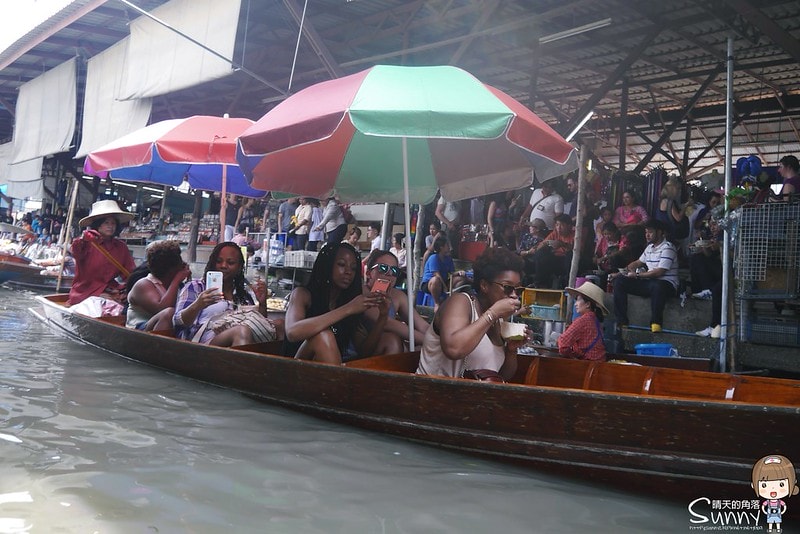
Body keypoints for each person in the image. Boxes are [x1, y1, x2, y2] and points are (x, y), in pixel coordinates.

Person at [416, 247, 526, 381]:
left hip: (473, 397)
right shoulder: (460, 302)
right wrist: (492, 313)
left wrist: (511, 351)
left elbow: (500, 377)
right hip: (433, 394)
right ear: (484, 285)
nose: (514, 295)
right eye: (508, 287)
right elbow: (454, 349)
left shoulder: (498, 320)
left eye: (518, 289)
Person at [283, 242, 387, 364]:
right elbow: (292, 332)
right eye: (341, 264)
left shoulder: (347, 300)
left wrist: (383, 316)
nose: (349, 272)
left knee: (390, 340)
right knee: (323, 336)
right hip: (293, 369)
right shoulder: (302, 294)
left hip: (323, 373)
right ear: (327, 265)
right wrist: (348, 309)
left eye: (353, 268)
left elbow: (364, 352)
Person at [173, 242, 274, 347]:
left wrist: (262, 304)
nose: (223, 266)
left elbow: (259, 325)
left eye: (230, 263)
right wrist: (197, 305)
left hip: (238, 343)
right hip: (200, 345)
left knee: (279, 324)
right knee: (241, 331)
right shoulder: (196, 287)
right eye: (219, 261)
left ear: (239, 267)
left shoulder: (242, 295)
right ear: (212, 263)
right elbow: (178, 321)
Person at [610, 219, 678, 333]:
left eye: (650, 232)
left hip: (667, 284)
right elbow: (637, 263)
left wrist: (637, 275)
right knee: (620, 281)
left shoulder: (668, 247)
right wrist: (618, 274)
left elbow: (659, 272)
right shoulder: (649, 248)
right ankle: (622, 321)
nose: (647, 235)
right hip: (650, 282)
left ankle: (656, 323)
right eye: (646, 232)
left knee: (658, 286)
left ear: (660, 232)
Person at [67, 200, 136, 306]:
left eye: (113, 223)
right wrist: (84, 238)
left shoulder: (121, 247)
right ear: (98, 225)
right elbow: (76, 250)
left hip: (111, 289)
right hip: (85, 291)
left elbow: (129, 273)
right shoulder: (86, 243)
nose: (110, 226)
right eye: (106, 223)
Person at [362, 249, 429, 352]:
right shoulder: (363, 292)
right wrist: (431, 342)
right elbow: (387, 323)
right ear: (369, 273)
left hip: (386, 347)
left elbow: (421, 325)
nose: (389, 274)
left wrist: (441, 339)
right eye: (383, 268)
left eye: (394, 271)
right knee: (392, 340)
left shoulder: (397, 295)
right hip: (362, 351)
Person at [126, 240, 192, 332]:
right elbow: (163, 310)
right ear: (172, 269)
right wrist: (176, 280)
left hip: (171, 328)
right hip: (139, 329)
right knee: (169, 313)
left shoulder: (176, 284)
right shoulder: (143, 284)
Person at [558, 282, 608, 361]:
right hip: (599, 363)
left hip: (587, 365)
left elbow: (563, 344)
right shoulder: (595, 320)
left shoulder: (583, 320)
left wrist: (572, 356)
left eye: (578, 300)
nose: (575, 304)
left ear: (588, 304)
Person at [750, 455, 798, 533]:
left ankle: (778, 529)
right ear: (753, 485)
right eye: (764, 485)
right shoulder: (768, 502)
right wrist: (766, 511)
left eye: (781, 484)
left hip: (778, 514)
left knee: (777, 522)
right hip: (770, 514)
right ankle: (771, 529)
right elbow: (763, 506)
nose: (773, 490)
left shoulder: (779, 502)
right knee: (771, 522)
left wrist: (782, 511)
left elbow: (784, 506)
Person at [529, 214, 575, 288]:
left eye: (562, 225)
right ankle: (539, 283)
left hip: (568, 261)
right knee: (541, 253)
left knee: (570, 255)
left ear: (569, 226)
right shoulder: (554, 233)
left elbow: (579, 250)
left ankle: (567, 284)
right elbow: (539, 246)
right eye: (557, 225)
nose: (559, 228)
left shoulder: (575, 234)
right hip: (555, 260)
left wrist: (562, 244)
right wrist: (547, 243)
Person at [420, 235, 463, 310]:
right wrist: (445, 287)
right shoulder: (434, 258)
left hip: (443, 282)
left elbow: (452, 273)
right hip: (430, 284)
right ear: (441, 247)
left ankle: (451, 301)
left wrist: (460, 273)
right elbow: (437, 275)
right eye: (447, 245)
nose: (449, 247)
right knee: (435, 280)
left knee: (459, 279)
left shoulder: (448, 259)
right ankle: (437, 303)